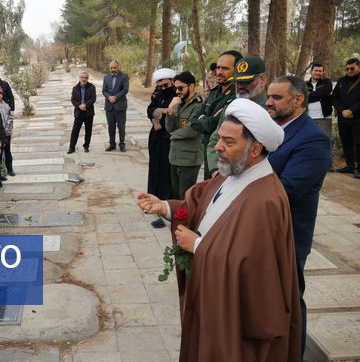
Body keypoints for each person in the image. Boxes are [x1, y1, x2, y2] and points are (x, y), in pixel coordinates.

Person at [137, 98, 301, 361]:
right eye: (219, 139)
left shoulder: (265, 199)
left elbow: (258, 270)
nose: (218, 147)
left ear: (256, 148)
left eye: (229, 142)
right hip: (214, 302)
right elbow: (202, 207)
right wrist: (166, 208)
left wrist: (200, 247)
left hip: (238, 325)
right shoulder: (232, 173)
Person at [266, 76, 332, 357]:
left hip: (287, 235)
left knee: (289, 301)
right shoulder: (270, 129)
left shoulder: (313, 140)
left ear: (298, 100)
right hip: (261, 230)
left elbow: (287, 190)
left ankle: (293, 354)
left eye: (276, 97)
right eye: (269, 96)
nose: (268, 102)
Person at [206, 55, 268, 178]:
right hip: (228, 176)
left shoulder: (271, 110)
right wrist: (215, 170)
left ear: (263, 80)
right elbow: (214, 140)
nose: (240, 86)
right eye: (238, 81)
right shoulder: (232, 109)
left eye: (247, 81)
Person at [191, 50, 242, 179]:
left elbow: (212, 124)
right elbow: (194, 121)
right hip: (208, 151)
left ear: (237, 70)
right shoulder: (215, 92)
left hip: (224, 157)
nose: (219, 72)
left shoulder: (237, 96)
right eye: (218, 67)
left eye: (225, 68)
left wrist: (205, 120)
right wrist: (205, 121)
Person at [146, 68, 177, 228]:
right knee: (154, 169)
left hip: (168, 139)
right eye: (160, 86)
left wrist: (158, 114)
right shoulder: (158, 94)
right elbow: (149, 110)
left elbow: (170, 117)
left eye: (166, 86)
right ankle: (152, 200)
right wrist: (161, 111)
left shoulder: (176, 96)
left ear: (172, 82)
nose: (163, 89)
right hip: (156, 138)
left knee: (166, 172)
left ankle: (164, 206)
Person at [165, 71, 203, 200]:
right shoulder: (178, 104)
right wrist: (170, 109)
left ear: (191, 86)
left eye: (180, 88)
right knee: (176, 196)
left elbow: (191, 130)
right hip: (175, 157)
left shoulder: (198, 106)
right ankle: (177, 220)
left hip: (189, 160)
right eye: (176, 88)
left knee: (186, 198)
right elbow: (169, 127)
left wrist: (173, 135)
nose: (177, 91)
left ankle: (187, 221)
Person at [332, 58, 360, 178]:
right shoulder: (342, 81)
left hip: (357, 117)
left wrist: (352, 110)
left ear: (358, 67)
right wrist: (342, 110)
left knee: (358, 143)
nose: (349, 70)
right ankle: (350, 166)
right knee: (346, 142)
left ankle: (359, 169)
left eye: (352, 68)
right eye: (347, 68)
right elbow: (334, 98)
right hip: (343, 118)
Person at [102, 60, 129, 152]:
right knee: (111, 126)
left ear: (118, 67)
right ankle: (112, 144)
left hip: (120, 105)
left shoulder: (124, 76)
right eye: (111, 68)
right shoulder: (106, 77)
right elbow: (104, 91)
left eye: (115, 67)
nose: (113, 69)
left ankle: (122, 144)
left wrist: (115, 97)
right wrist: (109, 97)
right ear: (109, 68)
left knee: (121, 126)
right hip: (109, 106)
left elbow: (125, 90)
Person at [68, 71, 96, 154]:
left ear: (87, 78)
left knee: (88, 130)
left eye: (86, 77)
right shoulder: (75, 88)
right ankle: (72, 147)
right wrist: (79, 106)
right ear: (79, 78)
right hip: (78, 112)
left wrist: (85, 105)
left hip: (89, 112)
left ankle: (86, 146)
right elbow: (73, 100)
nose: (84, 79)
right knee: (75, 130)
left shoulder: (92, 87)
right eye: (82, 77)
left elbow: (93, 98)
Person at [306, 62, 334, 137]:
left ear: (323, 72)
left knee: (324, 142)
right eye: (316, 70)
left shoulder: (327, 82)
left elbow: (324, 93)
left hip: (324, 118)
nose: (318, 73)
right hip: (308, 118)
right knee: (309, 141)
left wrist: (307, 96)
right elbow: (300, 98)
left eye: (320, 71)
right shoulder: (304, 85)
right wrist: (318, 95)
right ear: (311, 72)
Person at [0, 86, 15, 175]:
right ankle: (0, 171)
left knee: (7, 151)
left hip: (7, 133)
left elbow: (10, 117)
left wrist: (8, 130)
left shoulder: (6, 106)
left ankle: (10, 169)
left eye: (0, 93)